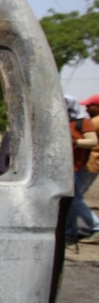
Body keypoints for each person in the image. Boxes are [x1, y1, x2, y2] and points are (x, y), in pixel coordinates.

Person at [65, 95, 99, 243]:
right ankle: (71, 230)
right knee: (69, 199)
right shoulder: (69, 122)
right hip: (69, 166)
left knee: (73, 198)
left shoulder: (86, 122)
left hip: (81, 166)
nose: (86, 107)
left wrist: (74, 142)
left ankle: (95, 226)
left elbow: (92, 141)